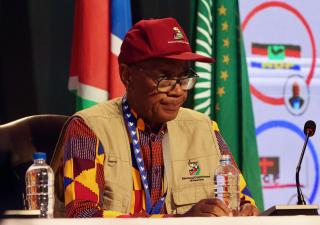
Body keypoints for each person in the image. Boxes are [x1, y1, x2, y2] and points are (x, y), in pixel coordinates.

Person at [52, 17, 259, 218]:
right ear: (127, 76)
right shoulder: (89, 128)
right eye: (165, 78)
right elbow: (83, 215)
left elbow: (243, 201)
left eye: (184, 78)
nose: (178, 91)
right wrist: (178, 221)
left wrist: (246, 211)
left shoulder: (204, 128)